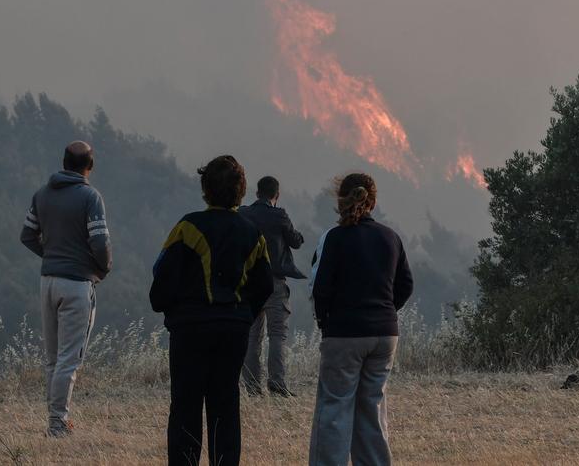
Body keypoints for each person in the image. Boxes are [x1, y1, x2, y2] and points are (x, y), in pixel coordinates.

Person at [150, 155, 274, 466]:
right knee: (225, 405)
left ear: (205, 189)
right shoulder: (252, 232)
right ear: (241, 191)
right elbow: (265, 285)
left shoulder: (187, 227)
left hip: (189, 328)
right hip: (233, 328)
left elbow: (162, 278)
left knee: (185, 407)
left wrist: (170, 312)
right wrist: (244, 314)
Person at [308, 173, 413, 466]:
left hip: (344, 333)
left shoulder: (334, 237)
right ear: (373, 201)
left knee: (334, 408)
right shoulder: (391, 237)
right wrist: (386, 311)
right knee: (372, 409)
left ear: (340, 201)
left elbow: (320, 288)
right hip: (384, 334)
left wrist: (324, 321)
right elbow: (405, 285)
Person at [20, 141, 112, 438]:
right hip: (76, 283)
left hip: (48, 280)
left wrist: (50, 254)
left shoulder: (42, 194)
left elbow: (27, 235)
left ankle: (55, 419)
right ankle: (58, 424)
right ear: (91, 165)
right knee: (69, 359)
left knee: (52, 358)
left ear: (63, 162)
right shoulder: (90, 197)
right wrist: (102, 267)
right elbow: (100, 243)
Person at [239, 176, 305, 397]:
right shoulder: (279, 215)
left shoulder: (244, 214)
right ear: (276, 195)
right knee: (277, 335)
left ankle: (252, 387)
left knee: (251, 337)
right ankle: (276, 383)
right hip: (275, 282)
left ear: (257, 193)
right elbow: (295, 241)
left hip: (249, 283)